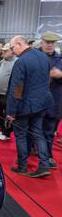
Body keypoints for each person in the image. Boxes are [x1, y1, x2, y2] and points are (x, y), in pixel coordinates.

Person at [7, 36, 55, 178]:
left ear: (20, 44)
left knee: (20, 135)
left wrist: (11, 111)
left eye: (12, 47)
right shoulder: (43, 56)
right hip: (42, 103)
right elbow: (46, 80)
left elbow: (17, 88)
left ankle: (22, 166)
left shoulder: (21, 61)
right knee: (38, 133)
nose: (12, 50)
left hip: (25, 105)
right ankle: (44, 164)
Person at [39, 32, 62, 169]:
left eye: (52, 42)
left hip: (53, 103)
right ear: (41, 42)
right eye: (47, 42)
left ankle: (47, 157)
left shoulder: (60, 59)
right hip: (34, 102)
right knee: (32, 131)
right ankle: (25, 156)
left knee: (48, 132)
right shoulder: (33, 56)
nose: (49, 45)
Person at [0, 43, 17, 140]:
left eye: (6, 50)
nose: (3, 52)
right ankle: (4, 130)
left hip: (8, 94)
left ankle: (6, 133)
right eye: (3, 50)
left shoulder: (17, 62)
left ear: (12, 51)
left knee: (8, 115)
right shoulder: (3, 61)